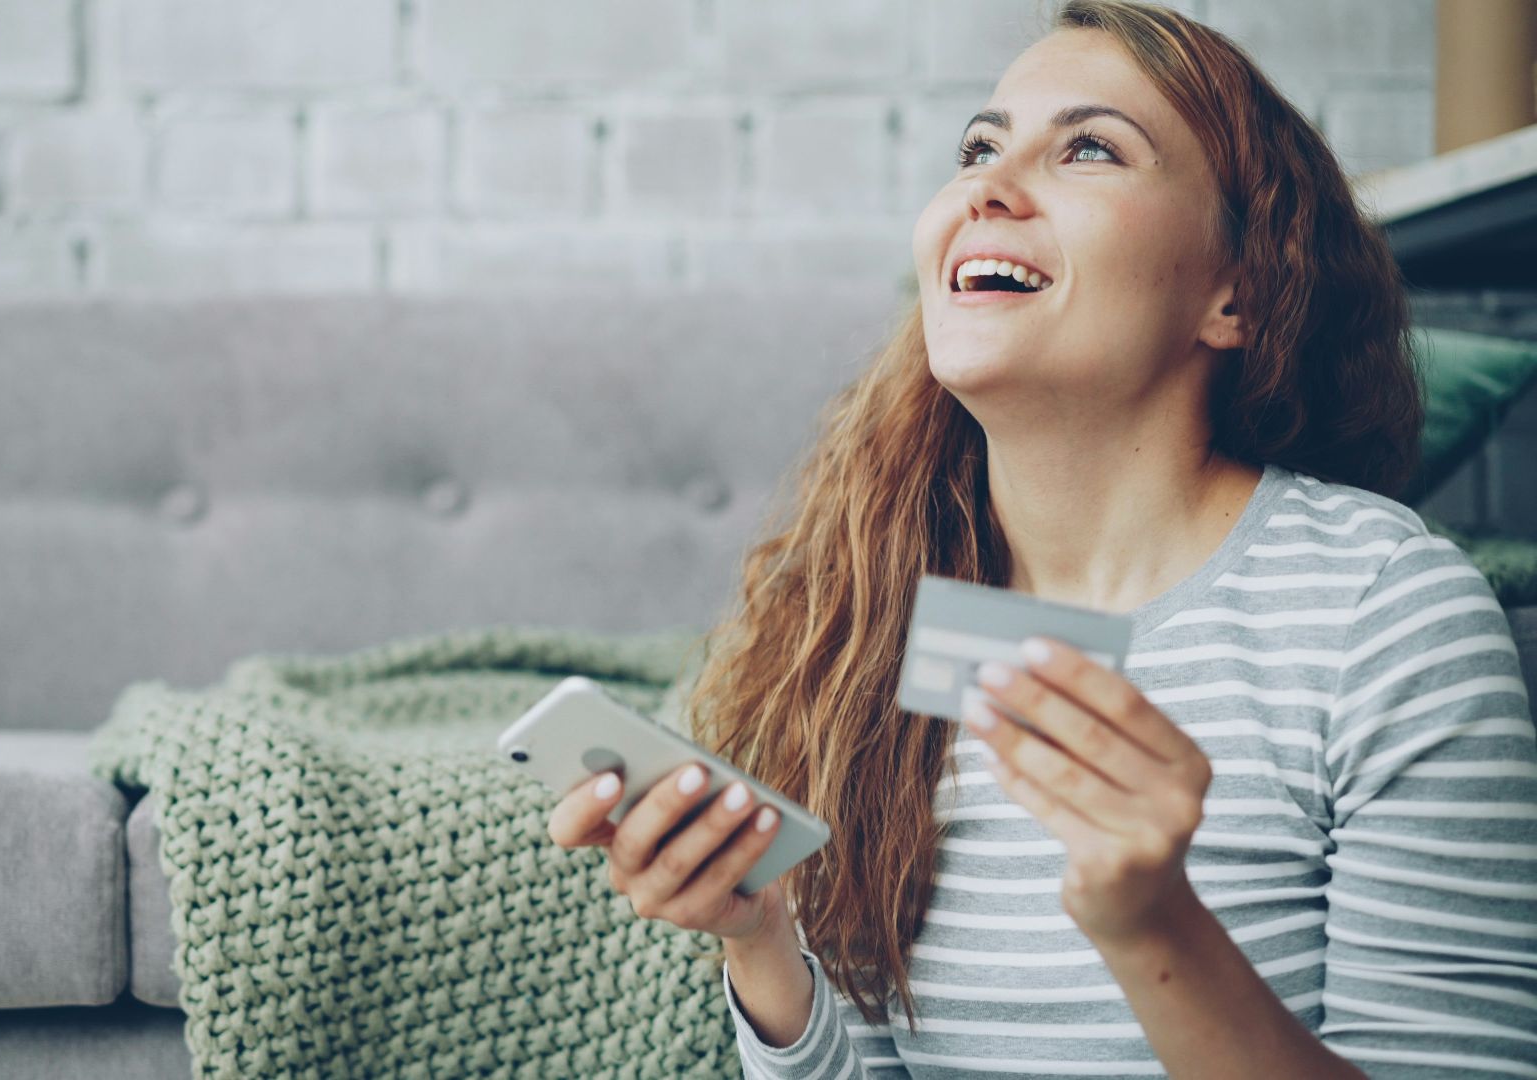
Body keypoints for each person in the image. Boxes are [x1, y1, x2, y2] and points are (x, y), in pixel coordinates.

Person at [545, 1, 1537, 1076]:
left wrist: (1154, 923)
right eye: (978, 147)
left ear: (1235, 293)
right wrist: (762, 946)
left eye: (1090, 148)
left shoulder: (1385, 615)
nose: (987, 186)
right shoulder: (886, 620)